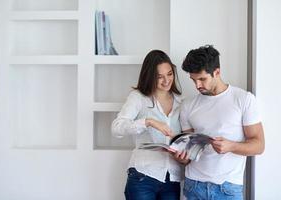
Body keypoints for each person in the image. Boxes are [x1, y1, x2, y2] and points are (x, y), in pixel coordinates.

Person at [175, 45, 265, 200]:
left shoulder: (243, 99)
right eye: (193, 80)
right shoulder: (188, 105)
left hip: (227, 188)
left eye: (202, 79)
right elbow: (188, 153)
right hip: (193, 186)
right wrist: (181, 156)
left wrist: (231, 146)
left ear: (217, 72)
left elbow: (259, 145)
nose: (197, 86)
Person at [112, 50, 183, 200]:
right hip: (143, 177)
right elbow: (117, 128)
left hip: (171, 179)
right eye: (159, 77)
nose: (166, 81)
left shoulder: (180, 101)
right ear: (150, 76)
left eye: (169, 74)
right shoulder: (138, 98)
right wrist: (148, 122)